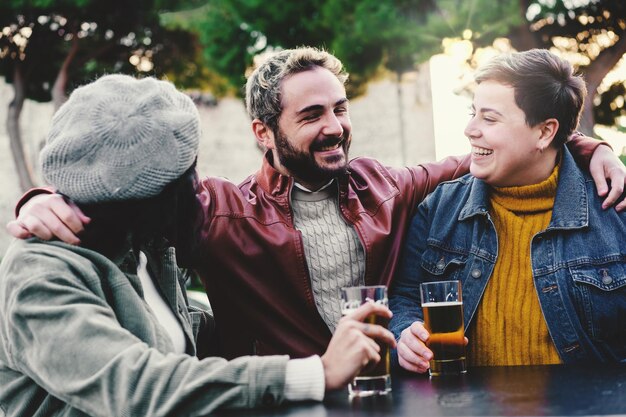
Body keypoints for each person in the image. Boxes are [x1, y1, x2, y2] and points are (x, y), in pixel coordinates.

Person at [6, 47, 626, 360]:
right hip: (286, 403)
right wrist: (39, 200)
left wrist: (583, 143)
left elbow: (495, 152)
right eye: (310, 116)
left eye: (340, 108)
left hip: (391, 402)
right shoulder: (217, 212)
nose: (334, 127)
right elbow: (126, 208)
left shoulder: (388, 186)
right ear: (262, 132)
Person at [0, 74, 397, 416]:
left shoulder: (144, 247)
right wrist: (318, 372)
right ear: (152, 195)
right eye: (188, 175)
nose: (199, 186)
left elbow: (192, 336)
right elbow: (138, 389)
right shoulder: (39, 273)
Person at [389, 49, 626, 373]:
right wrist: (404, 334)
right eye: (473, 113)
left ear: (544, 132)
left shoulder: (616, 212)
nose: (470, 129)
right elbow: (403, 298)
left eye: (489, 118)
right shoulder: (437, 209)